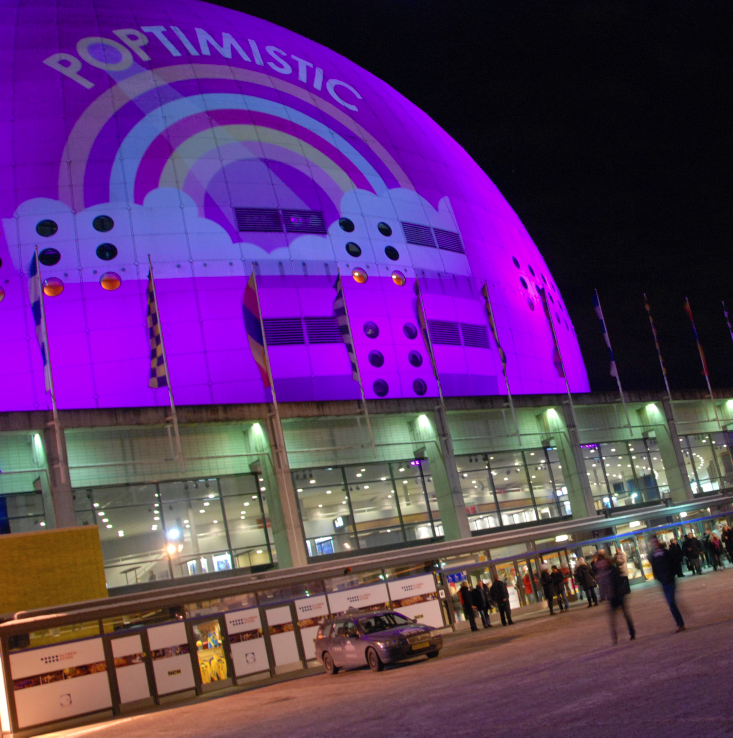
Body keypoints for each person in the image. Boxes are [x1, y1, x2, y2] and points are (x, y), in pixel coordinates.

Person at [649, 536, 686, 633]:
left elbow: (674, 563)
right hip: (664, 582)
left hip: (669, 580)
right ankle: (680, 623)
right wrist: (659, 578)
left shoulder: (665, 553)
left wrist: (671, 575)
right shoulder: (653, 556)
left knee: (671, 602)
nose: (654, 544)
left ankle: (680, 624)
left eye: (654, 542)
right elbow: (655, 569)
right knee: (671, 603)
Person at [608, 558, 635, 644]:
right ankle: (629, 633)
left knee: (617, 617)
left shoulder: (612, 573)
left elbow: (616, 585)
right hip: (616, 597)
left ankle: (617, 637)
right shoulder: (614, 572)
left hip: (617, 596)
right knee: (619, 617)